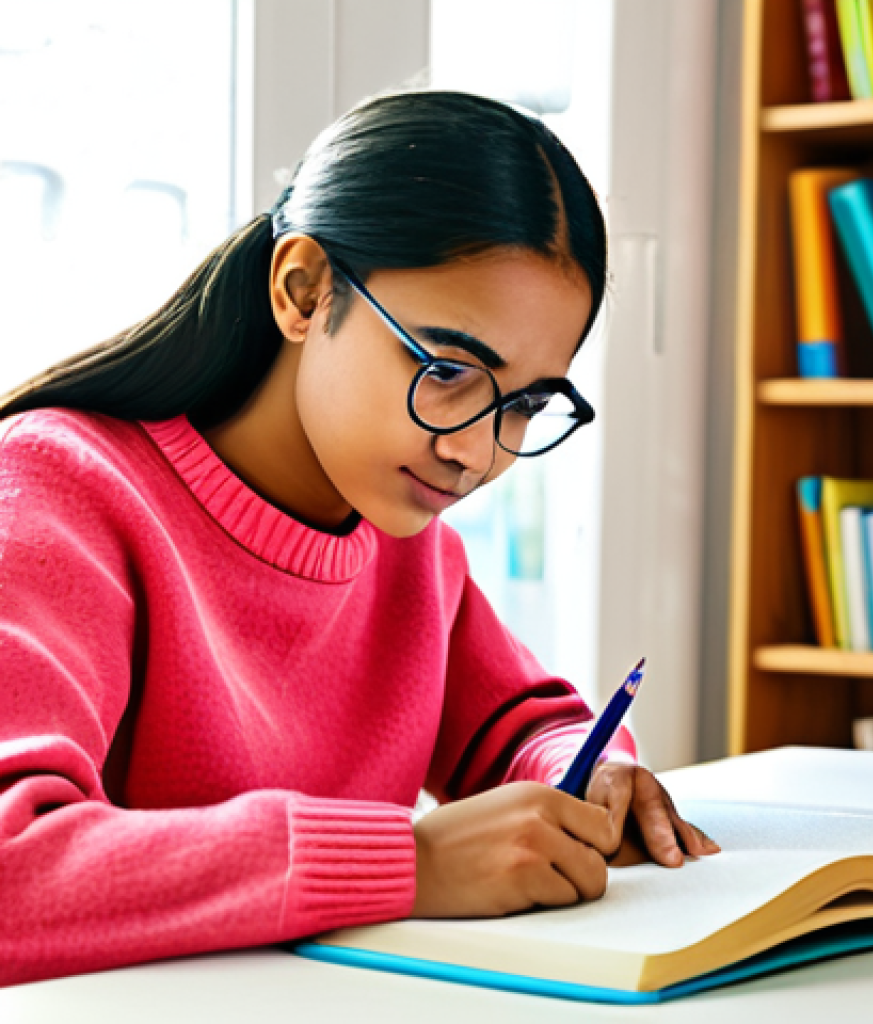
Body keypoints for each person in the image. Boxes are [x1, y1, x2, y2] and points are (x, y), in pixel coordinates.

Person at [0, 90, 718, 987]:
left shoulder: (401, 532)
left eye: (527, 403)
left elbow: (518, 725)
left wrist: (587, 772)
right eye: (448, 370)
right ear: (304, 292)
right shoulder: (60, 490)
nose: (475, 453)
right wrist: (406, 867)